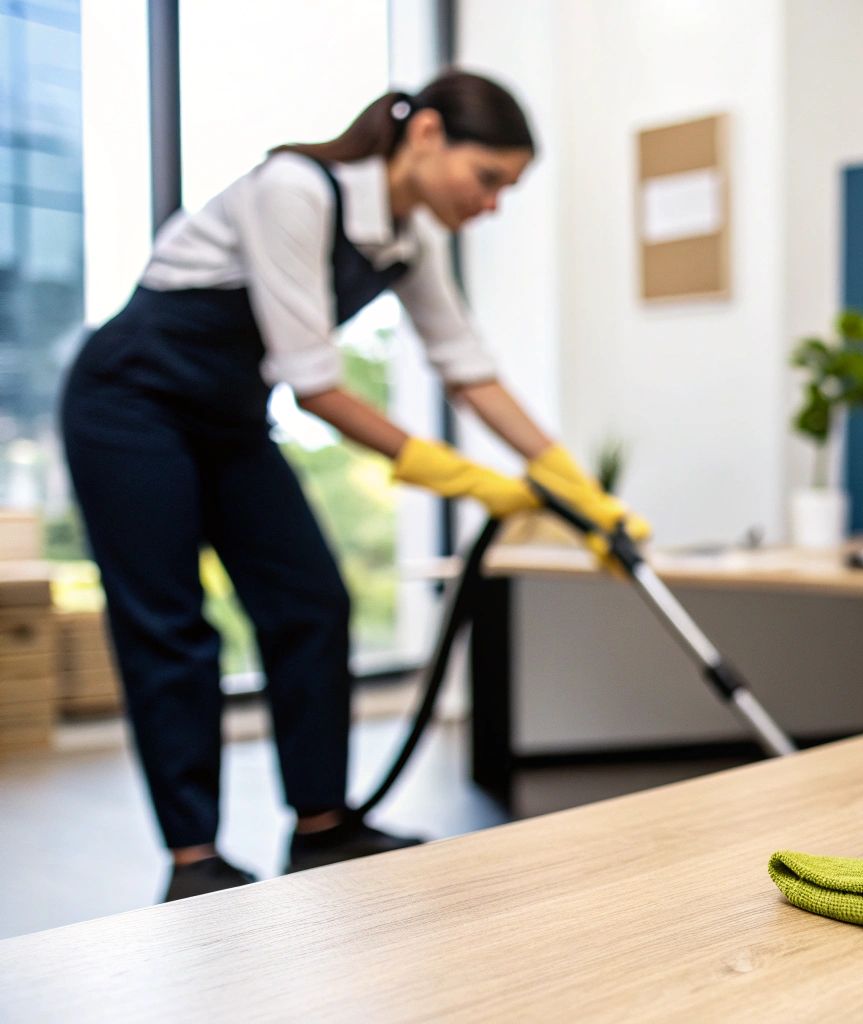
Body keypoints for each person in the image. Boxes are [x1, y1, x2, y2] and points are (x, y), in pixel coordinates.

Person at [60, 71, 641, 902]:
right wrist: (460, 477)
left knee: (312, 601)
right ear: (427, 133)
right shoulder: (296, 189)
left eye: (506, 191)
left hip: (228, 416)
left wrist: (571, 484)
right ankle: (195, 860)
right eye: (487, 179)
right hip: (129, 402)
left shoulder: (406, 242)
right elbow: (315, 385)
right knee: (171, 626)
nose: (491, 205)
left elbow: (468, 368)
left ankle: (322, 828)